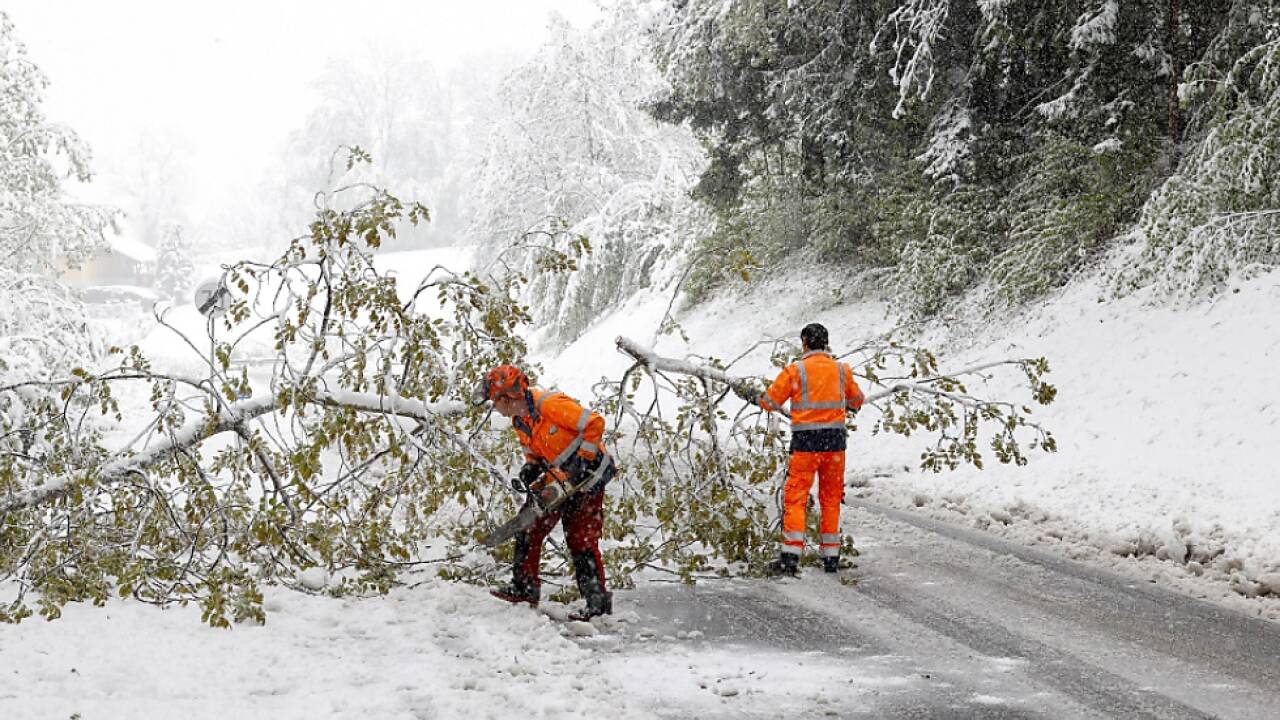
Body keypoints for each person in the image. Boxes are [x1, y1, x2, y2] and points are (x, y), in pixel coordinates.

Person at [475, 365, 617, 620]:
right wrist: (530, 468)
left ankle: (597, 604)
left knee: (580, 538)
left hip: (589, 474)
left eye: (495, 402)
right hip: (560, 475)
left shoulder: (549, 404)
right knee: (529, 524)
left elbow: (595, 423)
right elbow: (534, 451)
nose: (495, 408)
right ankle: (525, 588)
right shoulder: (519, 420)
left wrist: (582, 459)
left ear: (506, 398)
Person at [736, 323, 864, 575]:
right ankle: (831, 557)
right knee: (830, 499)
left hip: (805, 445)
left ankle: (791, 557)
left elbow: (769, 402)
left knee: (796, 497)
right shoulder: (841, 370)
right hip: (835, 445)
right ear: (826, 343)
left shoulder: (795, 371)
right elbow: (857, 401)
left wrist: (747, 393)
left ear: (804, 341)